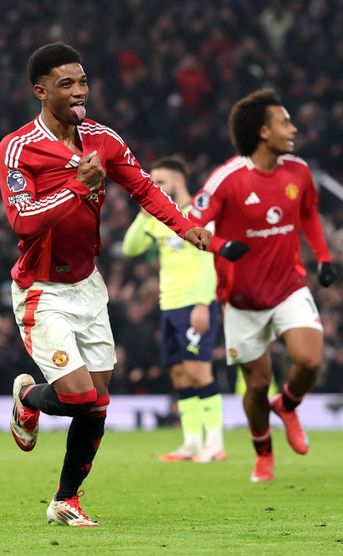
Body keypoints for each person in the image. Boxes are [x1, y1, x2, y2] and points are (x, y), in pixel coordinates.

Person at [0, 43, 211, 527]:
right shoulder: (17, 147)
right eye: (66, 84)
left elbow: (145, 187)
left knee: (97, 403)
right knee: (74, 396)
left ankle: (65, 500)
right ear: (41, 91)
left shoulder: (103, 139)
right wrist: (77, 184)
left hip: (88, 287)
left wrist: (185, 226)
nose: (79, 92)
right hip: (41, 289)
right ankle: (28, 398)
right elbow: (22, 221)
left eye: (83, 82)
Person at [188, 89, 337, 482]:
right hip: (242, 300)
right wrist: (221, 245)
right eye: (284, 122)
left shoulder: (299, 171)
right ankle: (263, 453)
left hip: (289, 287)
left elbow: (309, 215)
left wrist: (323, 257)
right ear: (263, 132)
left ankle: (287, 405)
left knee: (310, 360)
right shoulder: (227, 178)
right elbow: (192, 222)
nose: (294, 128)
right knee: (255, 387)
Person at [122, 156, 225, 463]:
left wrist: (203, 304)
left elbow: (209, 263)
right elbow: (130, 248)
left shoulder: (200, 214)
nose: (154, 187)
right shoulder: (158, 217)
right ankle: (192, 442)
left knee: (198, 370)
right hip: (169, 305)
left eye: (161, 182)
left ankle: (215, 442)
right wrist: (144, 213)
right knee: (180, 374)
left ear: (179, 181)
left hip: (195, 304)